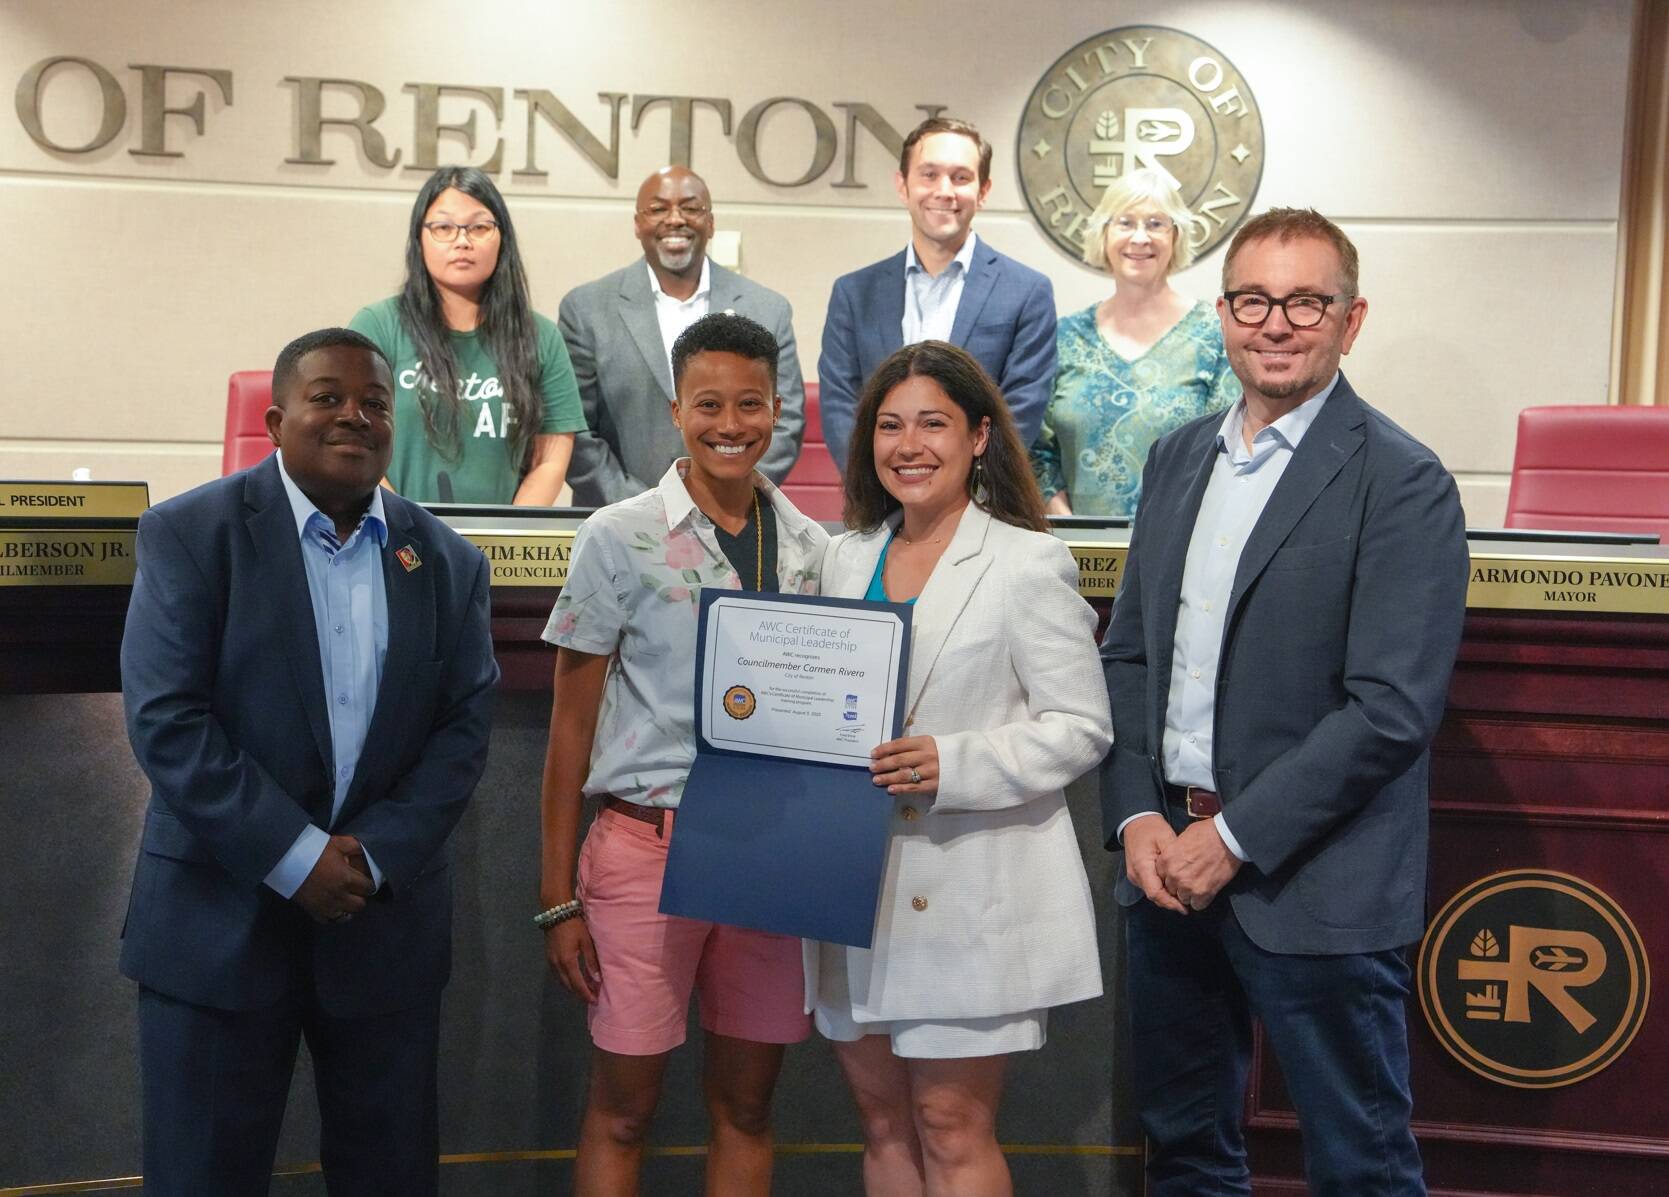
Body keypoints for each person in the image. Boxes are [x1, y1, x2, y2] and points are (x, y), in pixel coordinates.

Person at [1100, 208, 1469, 1196]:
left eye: (1306, 301)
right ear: (1222, 314)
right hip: (1166, 873)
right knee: (1183, 1156)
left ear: (1349, 322)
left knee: (1360, 1168)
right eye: (1256, 300)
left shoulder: (1403, 482)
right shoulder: (1177, 458)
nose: (1277, 323)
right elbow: (1129, 656)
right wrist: (1138, 813)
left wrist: (1229, 841)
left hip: (1318, 886)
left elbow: (1389, 708)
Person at [119, 328, 498, 1195]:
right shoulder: (188, 535)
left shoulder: (445, 561)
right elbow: (168, 721)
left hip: (381, 924)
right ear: (276, 416)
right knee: (202, 1177)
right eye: (329, 397)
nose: (354, 416)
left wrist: (367, 856)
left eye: (373, 402)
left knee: (389, 1177)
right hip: (216, 923)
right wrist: (296, 858)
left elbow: (462, 729)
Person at [808, 340, 1111, 1197]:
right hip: (849, 886)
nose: (909, 444)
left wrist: (954, 761)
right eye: (890, 425)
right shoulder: (842, 557)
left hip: (972, 890)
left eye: (933, 423)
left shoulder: (1024, 561)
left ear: (979, 436)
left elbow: (1081, 727)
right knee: (881, 1123)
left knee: (950, 1126)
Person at [538, 313, 828, 1196]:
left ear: (780, 410)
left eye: (750, 403)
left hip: (767, 859)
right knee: (623, 1106)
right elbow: (567, 734)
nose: (729, 423)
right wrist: (556, 901)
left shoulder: (816, 550)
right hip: (645, 849)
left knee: (745, 1106)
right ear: (676, 409)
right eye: (708, 404)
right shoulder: (617, 536)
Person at [818, 117, 1057, 472]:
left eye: (961, 177)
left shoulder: (1027, 292)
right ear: (903, 186)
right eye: (929, 174)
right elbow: (841, 407)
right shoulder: (854, 294)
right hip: (878, 507)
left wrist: (960, 492)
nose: (944, 190)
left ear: (984, 190)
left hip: (982, 507)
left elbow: (1019, 414)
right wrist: (878, 483)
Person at [559, 165, 807, 507]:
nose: (675, 219)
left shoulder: (768, 309)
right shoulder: (586, 309)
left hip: (735, 517)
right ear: (637, 223)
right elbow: (576, 431)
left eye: (691, 208)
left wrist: (718, 499)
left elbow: (785, 420)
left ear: (711, 223)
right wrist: (647, 509)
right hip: (615, 521)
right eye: (658, 209)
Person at [350, 165, 586, 504]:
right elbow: (353, 442)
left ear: (502, 237)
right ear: (419, 238)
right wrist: (404, 528)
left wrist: (509, 540)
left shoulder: (541, 337)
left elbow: (550, 458)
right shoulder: (377, 325)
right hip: (393, 535)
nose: (462, 241)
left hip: (498, 548)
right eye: (443, 227)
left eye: (479, 227)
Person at [1033, 169, 1240, 518]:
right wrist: (1072, 533)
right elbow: (1037, 450)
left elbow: (1229, 450)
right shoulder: (1065, 336)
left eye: (1156, 224)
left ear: (1176, 236)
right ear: (1104, 233)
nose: (1140, 238)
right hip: (1079, 553)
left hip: (1181, 549)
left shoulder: (1215, 335)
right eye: (1125, 222)